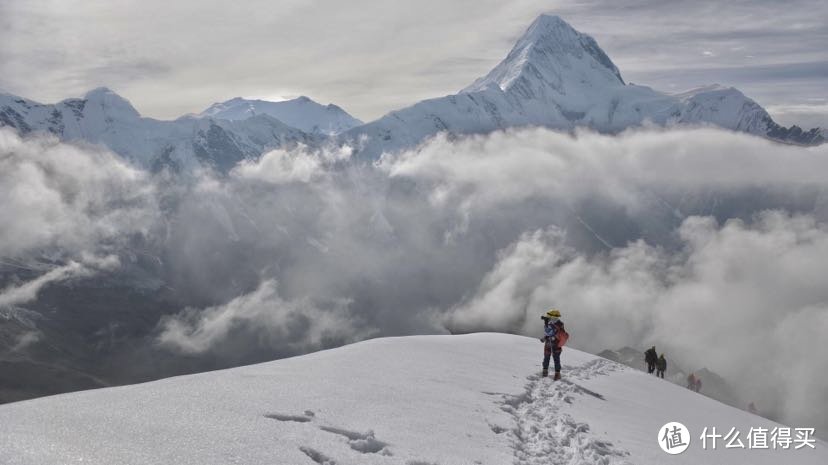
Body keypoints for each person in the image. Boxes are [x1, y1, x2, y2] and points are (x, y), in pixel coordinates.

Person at [540, 309, 567, 380]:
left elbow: (548, 333)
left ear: (553, 316)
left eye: (549, 316)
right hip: (556, 344)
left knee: (547, 357)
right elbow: (552, 334)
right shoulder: (560, 324)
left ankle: (545, 371)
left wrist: (546, 323)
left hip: (550, 343)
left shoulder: (551, 324)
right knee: (556, 359)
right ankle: (557, 374)